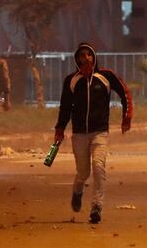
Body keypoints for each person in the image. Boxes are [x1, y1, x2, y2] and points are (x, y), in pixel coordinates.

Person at [55, 43, 133, 224]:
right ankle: (78, 189)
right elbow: (65, 107)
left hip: (100, 132)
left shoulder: (106, 77)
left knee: (98, 167)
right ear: (77, 60)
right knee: (83, 172)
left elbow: (125, 93)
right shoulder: (71, 81)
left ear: (93, 57)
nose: (86, 58)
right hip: (80, 134)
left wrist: (126, 116)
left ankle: (97, 206)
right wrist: (59, 129)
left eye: (89, 54)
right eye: (82, 55)